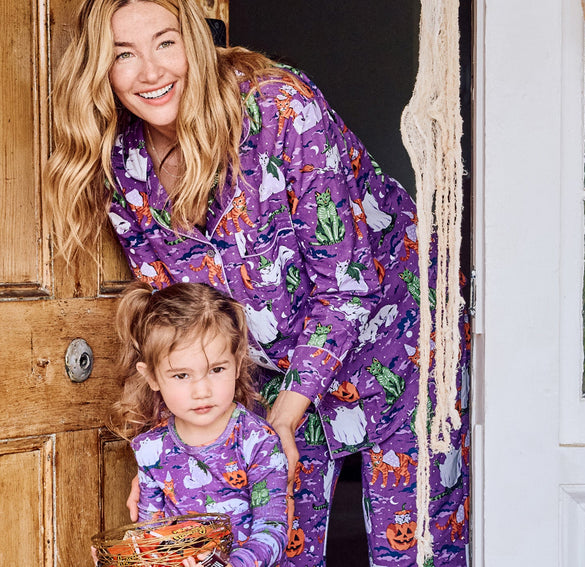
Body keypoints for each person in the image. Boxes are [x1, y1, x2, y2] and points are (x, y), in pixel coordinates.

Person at [47, 1, 471, 565]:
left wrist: (286, 414)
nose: (150, 72)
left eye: (166, 42)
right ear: (100, 67)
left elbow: (346, 284)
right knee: (274, 544)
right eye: (124, 54)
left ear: (195, 41)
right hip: (268, 374)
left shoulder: (280, 109)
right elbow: (174, 323)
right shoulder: (124, 163)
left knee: (417, 549)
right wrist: (163, 461)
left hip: (401, 347)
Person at [110, 281, 289, 567]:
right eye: (181, 375)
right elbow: (151, 535)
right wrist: (124, 557)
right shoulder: (150, 449)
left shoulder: (258, 441)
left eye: (216, 370)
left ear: (237, 363)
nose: (202, 391)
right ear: (152, 377)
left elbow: (273, 530)